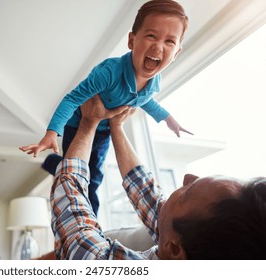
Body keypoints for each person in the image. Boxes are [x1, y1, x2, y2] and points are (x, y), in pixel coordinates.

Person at [20, 0, 192, 216]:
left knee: (95, 175)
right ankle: (92, 214)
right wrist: (52, 132)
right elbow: (73, 99)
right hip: (78, 124)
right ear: (131, 40)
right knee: (78, 171)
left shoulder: (154, 82)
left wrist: (167, 118)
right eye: (151, 36)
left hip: (105, 132)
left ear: (176, 53)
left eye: (169, 41)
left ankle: (55, 165)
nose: (158, 46)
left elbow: (145, 100)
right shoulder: (109, 72)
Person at [51, 95, 266, 260]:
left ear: (173, 249)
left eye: (187, 193)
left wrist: (89, 122)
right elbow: (146, 193)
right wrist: (116, 126)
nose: (187, 177)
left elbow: (75, 227)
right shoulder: (191, 248)